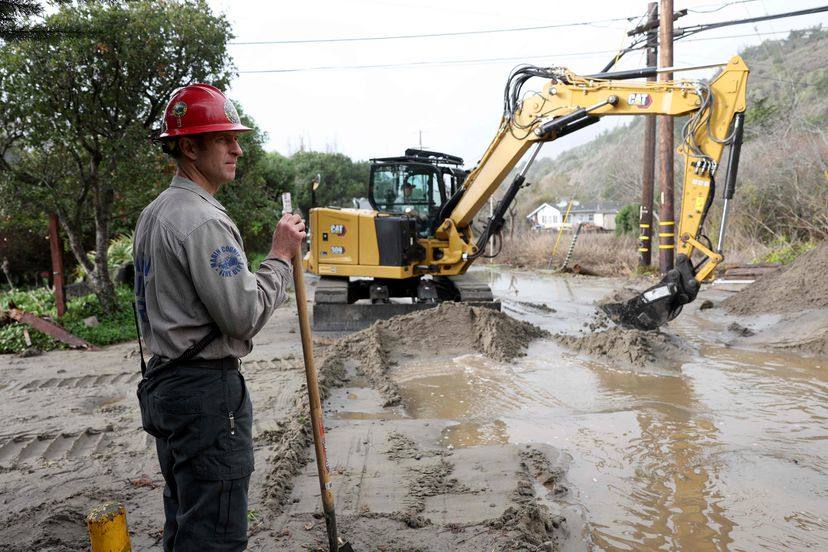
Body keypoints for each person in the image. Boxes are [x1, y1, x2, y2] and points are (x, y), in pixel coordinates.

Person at [133, 83, 305, 551]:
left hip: (166, 385)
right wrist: (279, 256)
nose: (238, 149)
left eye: (235, 137)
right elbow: (243, 316)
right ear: (189, 146)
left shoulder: (155, 213)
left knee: (186, 519)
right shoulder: (202, 219)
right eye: (223, 139)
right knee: (215, 534)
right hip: (205, 394)